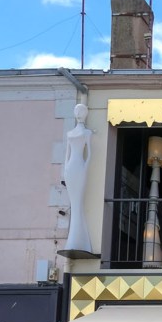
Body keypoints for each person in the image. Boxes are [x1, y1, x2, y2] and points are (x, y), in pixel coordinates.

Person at [62, 102, 94, 253]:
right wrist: (65, 168)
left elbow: (90, 154)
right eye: (76, 110)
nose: (78, 113)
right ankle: (73, 240)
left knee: (78, 203)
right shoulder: (69, 133)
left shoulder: (87, 133)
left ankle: (79, 240)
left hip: (80, 167)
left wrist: (85, 167)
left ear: (85, 113)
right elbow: (66, 155)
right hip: (70, 169)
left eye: (80, 110)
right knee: (74, 203)